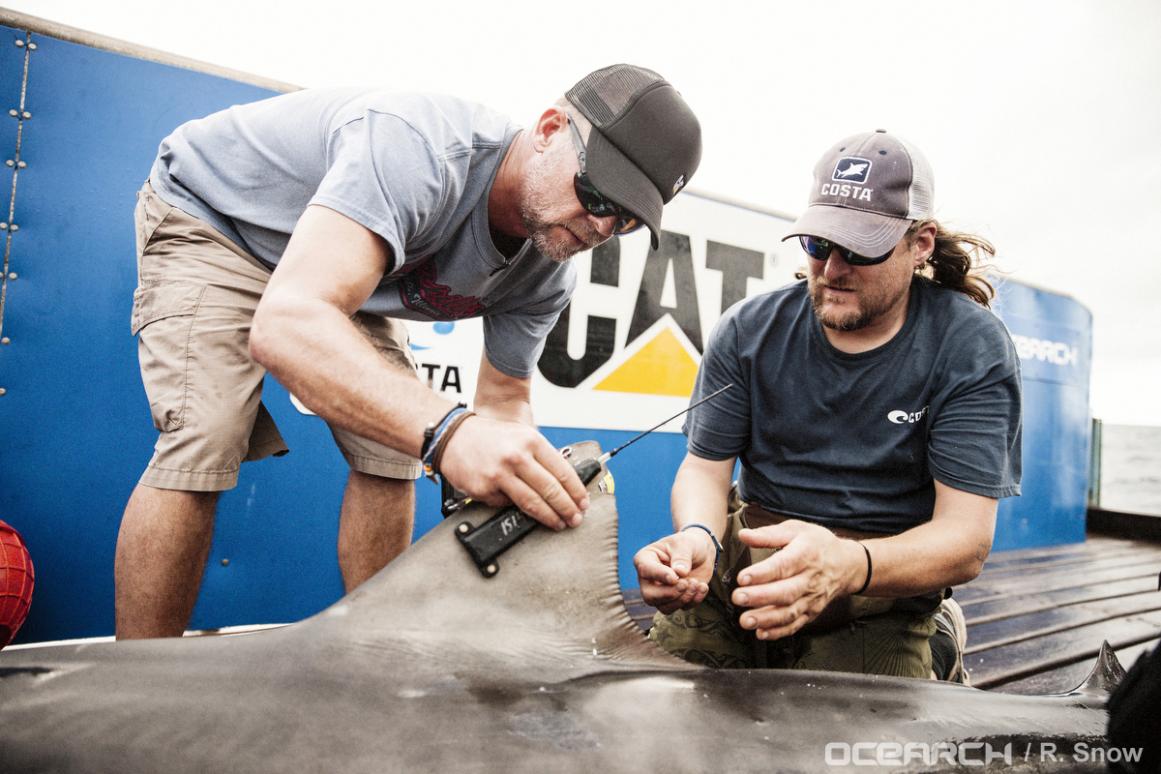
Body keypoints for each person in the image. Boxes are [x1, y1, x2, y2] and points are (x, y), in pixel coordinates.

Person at [117, 65, 702, 639]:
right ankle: (133, 690)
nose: (601, 226)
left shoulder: (547, 272)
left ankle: (376, 654)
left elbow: (502, 405)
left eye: (623, 219)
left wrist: (520, 478)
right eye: (596, 193)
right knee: (208, 431)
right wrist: (451, 434)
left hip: (345, 275)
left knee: (393, 447)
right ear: (549, 129)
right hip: (222, 222)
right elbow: (288, 325)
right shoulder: (421, 148)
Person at [634, 129, 1020, 680]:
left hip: (878, 581)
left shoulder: (968, 346)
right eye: (819, 244)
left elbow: (965, 542)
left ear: (922, 244)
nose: (834, 268)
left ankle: (935, 638)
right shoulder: (749, 330)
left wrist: (847, 565)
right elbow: (704, 469)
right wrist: (697, 537)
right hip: (746, 563)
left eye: (861, 248)